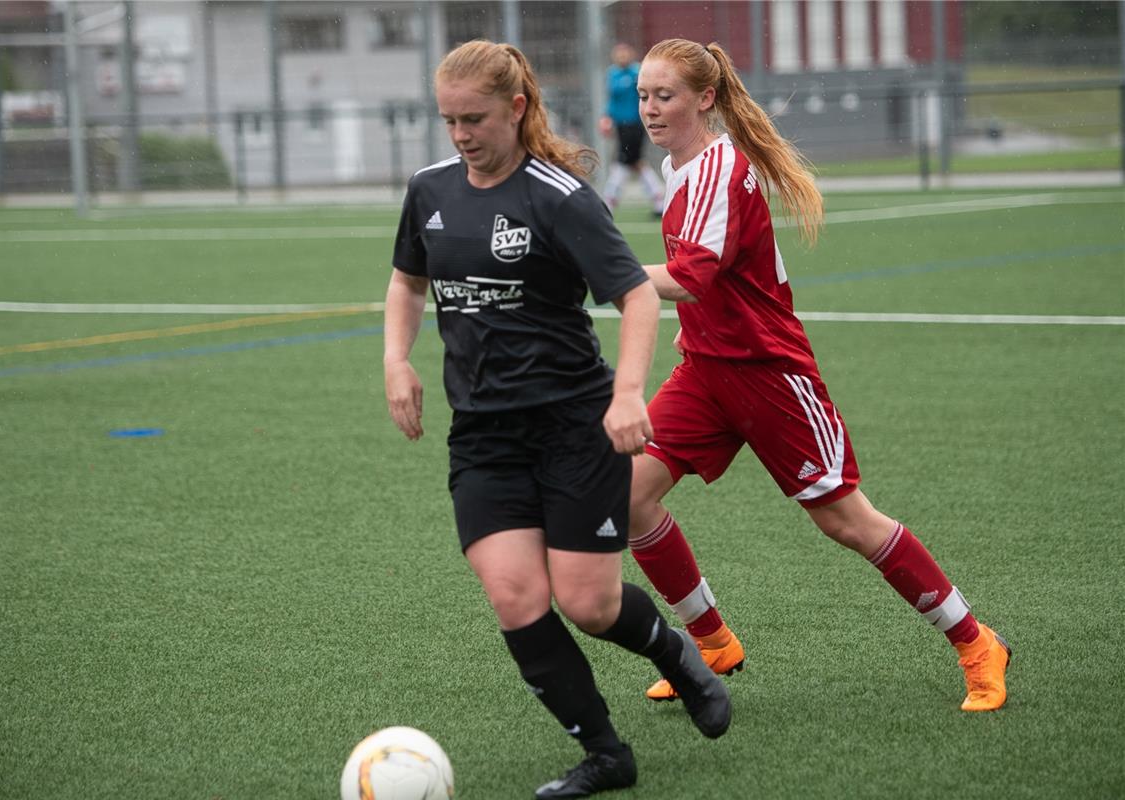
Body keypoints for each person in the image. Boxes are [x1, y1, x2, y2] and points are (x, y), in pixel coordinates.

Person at [383, 40, 732, 799]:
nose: (460, 134)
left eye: (473, 118)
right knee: (515, 596)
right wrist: (396, 361)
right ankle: (606, 754)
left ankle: (676, 656)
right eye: (447, 120)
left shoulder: (559, 196)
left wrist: (628, 392)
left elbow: (636, 295)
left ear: (515, 108)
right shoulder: (430, 189)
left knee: (589, 605)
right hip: (483, 436)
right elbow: (407, 281)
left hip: (575, 427)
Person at [625, 39, 1013, 713]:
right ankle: (711, 643)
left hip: (770, 376)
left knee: (846, 522)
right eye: (642, 97)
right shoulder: (675, 165)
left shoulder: (720, 168)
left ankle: (976, 641)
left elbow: (691, 279)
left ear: (704, 99)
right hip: (706, 372)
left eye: (664, 96)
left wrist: (600, 274)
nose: (650, 110)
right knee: (624, 494)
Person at [599, 43, 664, 217]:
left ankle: (608, 202)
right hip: (621, 125)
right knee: (635, 162)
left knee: (623, 161)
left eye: (624, 54)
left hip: (635, 124)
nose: (621, 57)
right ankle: (659, 200)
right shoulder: (612, 74)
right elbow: (613, 99)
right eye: (618, 54)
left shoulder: (638, 73)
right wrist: (607, 117)